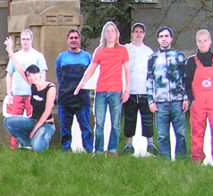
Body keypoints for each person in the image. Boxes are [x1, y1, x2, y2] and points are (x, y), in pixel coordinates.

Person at [74, 21, 130, 156]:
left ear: (116, 33)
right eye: (107, 31)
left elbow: (127, 71)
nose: (110, 33)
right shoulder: (99, 50)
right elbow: (91, 69)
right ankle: (98, 150)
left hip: (116, 92)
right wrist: (82, 83)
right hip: (101, 91)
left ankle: (112, 149)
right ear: (104, 34)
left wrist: (127, 90)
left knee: (115, 124)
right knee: (99, 124)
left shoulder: (122, 50)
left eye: (112, 31)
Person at [3, 37, 56, 152]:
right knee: (8, 122)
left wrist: (34, 130)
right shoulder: (32, 85)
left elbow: (47, 112)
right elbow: (19, 68)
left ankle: (37, 141)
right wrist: (10, 51)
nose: (32, 77)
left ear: (39, 73)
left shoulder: (50, 87)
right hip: (33, 121)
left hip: (46, 124)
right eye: (29, 75)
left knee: (38, 148)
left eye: (34, 74)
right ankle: (27, 143)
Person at [147, 26, 188, 159]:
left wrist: (186, 98)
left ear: (171, 38)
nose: (164, 39)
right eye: (161, 36)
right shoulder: (153, 58)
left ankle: (181, 159)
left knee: (181, 133)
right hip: (160, 102)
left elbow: (185, 78)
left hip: (177, 101)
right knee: (162, 135)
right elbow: (149, 81)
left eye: (166, 36)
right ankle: (165, 159)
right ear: (158, 39)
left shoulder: (179, 56)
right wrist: (151, 101)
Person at [186, 29, 213, 164]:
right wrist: (191, 99)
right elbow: (187, 83)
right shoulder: (192, 61)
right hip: (199, 103)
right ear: (196, 43)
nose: (202, 43)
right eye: (199, 41)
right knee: (197, 132)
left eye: (205, 40)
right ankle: (197, 158)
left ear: (210, 41)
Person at [55, 28, 93, 152]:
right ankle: (65, 150)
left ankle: (89, 150)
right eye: (71, 38)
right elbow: (59, 76)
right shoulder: (61, 57)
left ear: (79, 40)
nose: (73, 40)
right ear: (67, 40)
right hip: (65, 98)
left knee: (85, 127)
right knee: (65, 128)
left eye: (76, 38)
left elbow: (90, 75)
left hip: (82, 98)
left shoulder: (86, 57)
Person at [121, 22, 157, 155]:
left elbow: (153, 72)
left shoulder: (149, 51)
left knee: (147, 119)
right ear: (132, 34)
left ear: (144, 34)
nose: (138, 34)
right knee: (129, 119)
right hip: (130, 91)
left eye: (141, 32)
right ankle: (129, 145)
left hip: (145, 91)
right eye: (136, 31)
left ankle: (150, 144)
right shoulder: (126, 49)